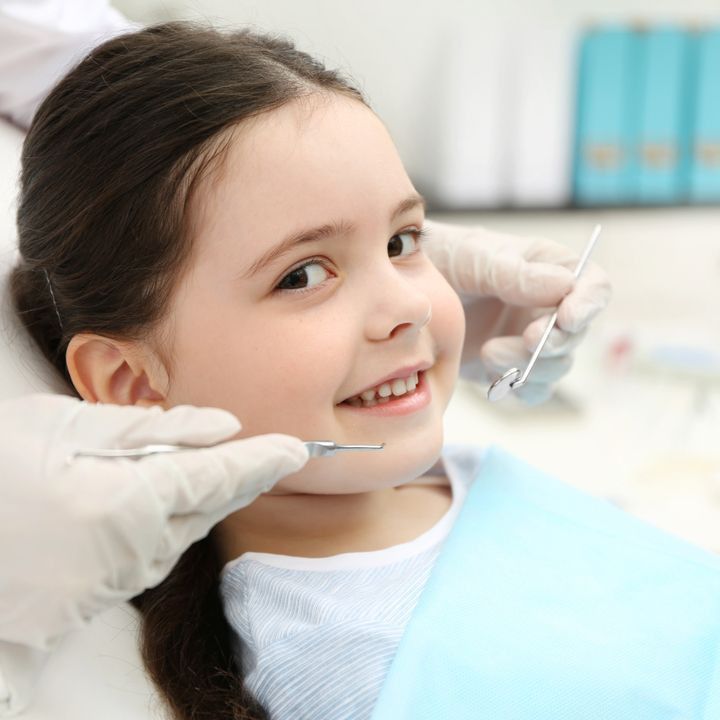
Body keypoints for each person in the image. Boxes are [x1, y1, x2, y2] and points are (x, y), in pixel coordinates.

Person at [0, 8, 610, 719]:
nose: (405, 309)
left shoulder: (461, 479)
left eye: (402, 241)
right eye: (301, 275)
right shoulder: (349, 671)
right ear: (133, 383)